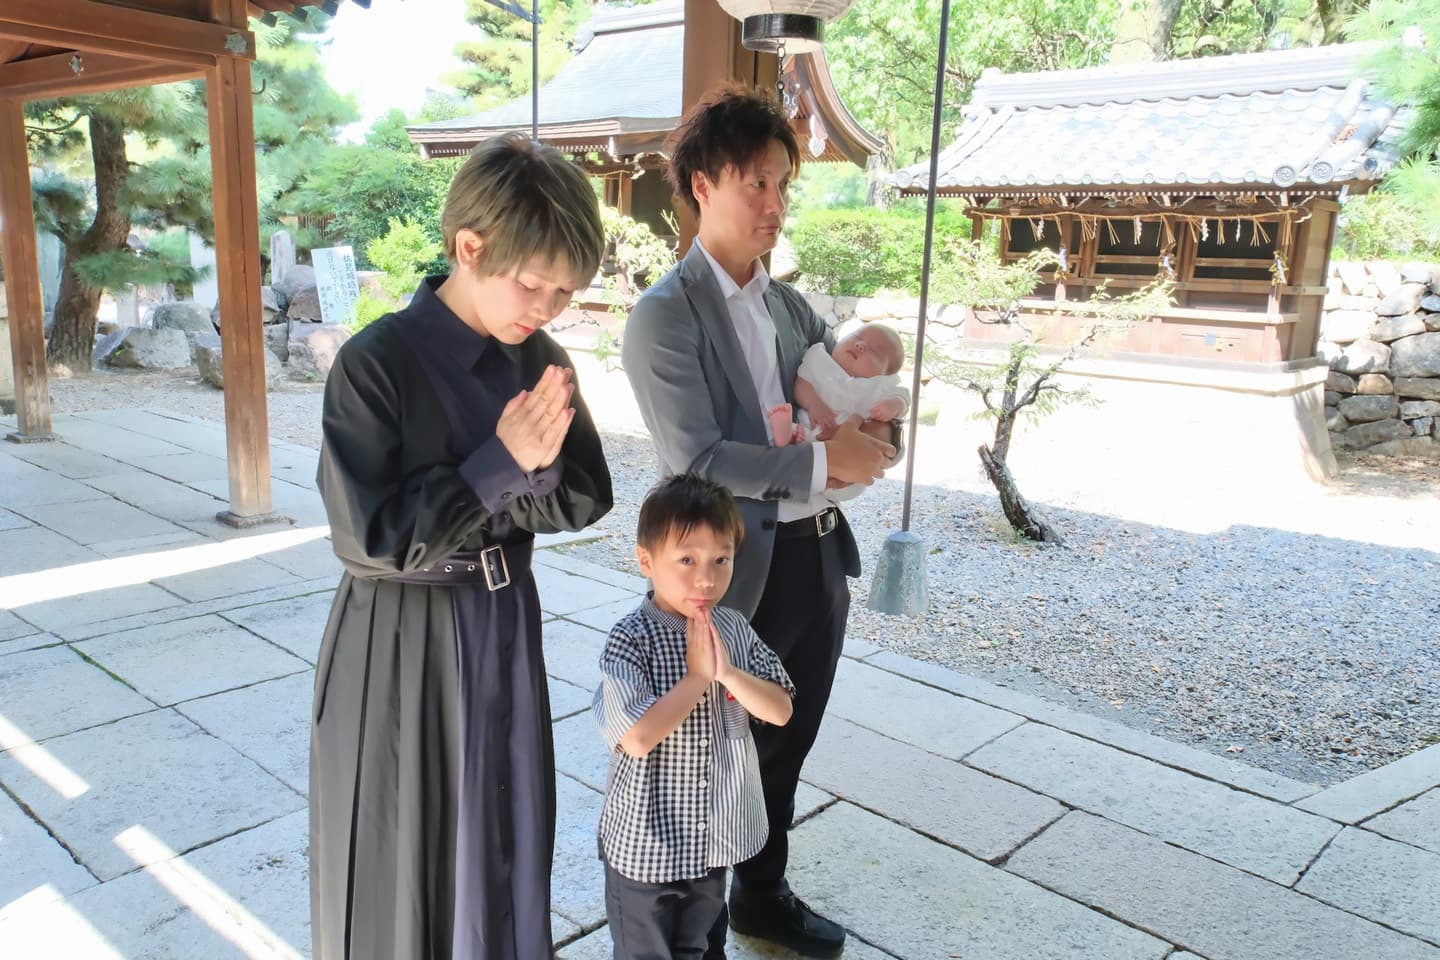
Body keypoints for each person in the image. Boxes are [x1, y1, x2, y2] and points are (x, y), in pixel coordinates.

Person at [310, 133, 612, 960]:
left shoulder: (540, 357)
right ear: (468, 246)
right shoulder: (377, 364)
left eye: (563, 291)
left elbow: (586, 496)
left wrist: (538, 468)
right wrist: (497, 465)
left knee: (505, 827)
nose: (545, 308)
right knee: (405, 839)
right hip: (402, 634)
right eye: (532, 283)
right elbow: (367, 538)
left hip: (506, 618)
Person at [622, 85, 899, 959]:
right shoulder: (664, 316)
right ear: (702, 184)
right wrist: (823, 463)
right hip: (733, 575)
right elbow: (697, 456)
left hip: (818, 562)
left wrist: (883, 426)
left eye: (784, 186)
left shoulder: (792, 308)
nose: (775, 205)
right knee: (713, 748)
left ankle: (762, 893)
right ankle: (689, 919)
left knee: (791, 730)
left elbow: (850, 397)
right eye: (756, 185)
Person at [593, 473, 795, 960]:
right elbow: (636, 738)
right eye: (686, 559)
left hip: (713, 842)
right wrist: (697, 679)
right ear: (647, 560)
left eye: (720, 559)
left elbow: (782, 709)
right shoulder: (631, 638)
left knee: (704, 947)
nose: (706, 577)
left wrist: (728, 673)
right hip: (647, 850)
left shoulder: (734, 628)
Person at [769, 324, 909, 453]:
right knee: (797, 431)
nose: (860, 345)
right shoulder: (821, 360)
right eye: (857, 337)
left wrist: (895, 405)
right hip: (809, 424)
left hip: (845, 442)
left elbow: (904, 396)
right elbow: (802, 382)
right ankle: (788, 438)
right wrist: (814, 404)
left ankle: (794, 442)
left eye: (874, 351)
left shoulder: (878, 386)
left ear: (886, 375)